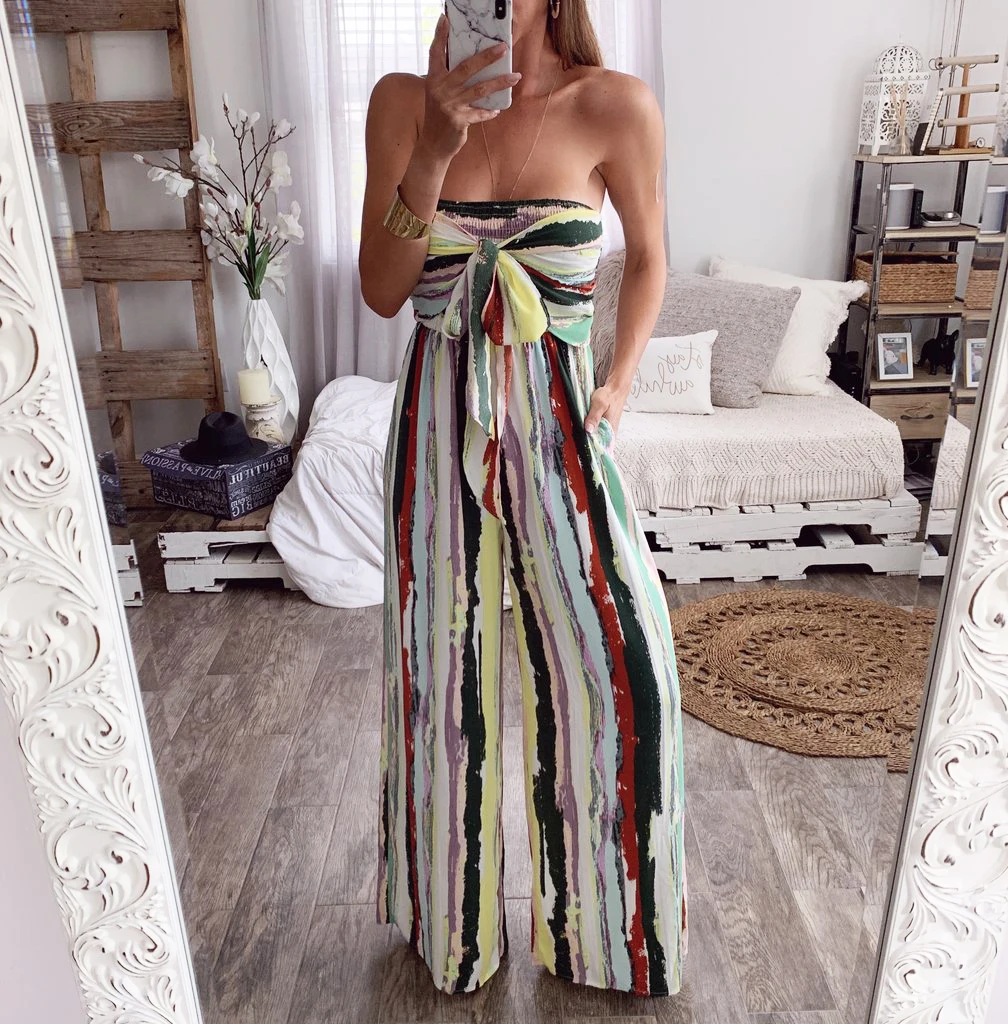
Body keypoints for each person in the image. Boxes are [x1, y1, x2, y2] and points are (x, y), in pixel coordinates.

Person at [359, 0, 685, 998]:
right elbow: (382, 289)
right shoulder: (402, 103)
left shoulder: (616, 105)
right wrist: (435, 147)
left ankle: (611, 933)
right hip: (435, 417)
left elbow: (650, 258)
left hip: (561, 420)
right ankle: (449, 928)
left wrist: (619, 382)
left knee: (624, 664)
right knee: (438, 679)